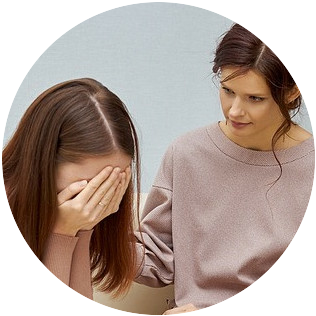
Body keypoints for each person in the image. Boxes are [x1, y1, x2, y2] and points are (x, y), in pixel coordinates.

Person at [134, 23, 315, 312]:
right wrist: (93, 229)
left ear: (292, 92)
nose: (234, 111)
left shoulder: (311, 167)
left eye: (255, 98)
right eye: (228, 90)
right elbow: (157, 260)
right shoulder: (187, 153)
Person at [2, 78, 141, 300]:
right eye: (92, 184)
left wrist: (82, 228)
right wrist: (62, 233)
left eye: (114, 182)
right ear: (44, 161)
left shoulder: (74, 214)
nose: (99, 197)